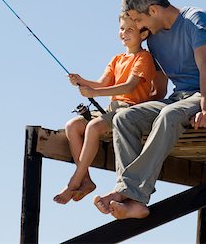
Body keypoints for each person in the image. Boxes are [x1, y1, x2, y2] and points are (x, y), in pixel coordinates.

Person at [94, 0, 206, 220]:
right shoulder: (154, 40)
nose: (137, 27)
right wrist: (136, 108)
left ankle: (130, 193)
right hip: (178, 99)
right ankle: (133, 201)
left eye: (138, 20)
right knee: (124, 119)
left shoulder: (196, 20)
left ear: (153, 10)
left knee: (169, 115)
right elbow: (159, 92)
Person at [54, 12, 164, 205]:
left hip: (128, 111)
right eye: (122, 29)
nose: (124, 33)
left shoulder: (144, 58)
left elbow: (129, 86)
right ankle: (86, 180)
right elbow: (102, 83)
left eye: (130, 29)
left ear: (143, 34)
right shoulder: (116, 59)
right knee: (73, 125)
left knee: (93, 127)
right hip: (111, 109)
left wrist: (93, 93)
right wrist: (81, 81)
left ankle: (74, 180)